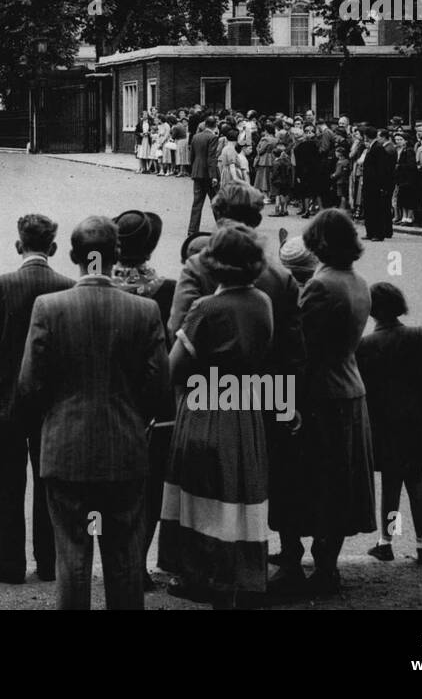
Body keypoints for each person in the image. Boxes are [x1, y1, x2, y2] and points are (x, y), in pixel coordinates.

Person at [18, 215, 168, 610]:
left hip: (67, 450)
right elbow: (159, 390)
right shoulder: (145, 311)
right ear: (115, 255)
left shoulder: (48, 308)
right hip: (124, 450)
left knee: (73, 558)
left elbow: (29, 385)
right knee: (123, 558)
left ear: (72, 256)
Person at [160, 224, 274, 608]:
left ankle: (210, 581)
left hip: (207, 409)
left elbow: (174, 369)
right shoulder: (263, 302)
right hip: (247, 412)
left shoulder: (205, 308)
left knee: (204, 503)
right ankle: (236, 581)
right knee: (239, 501)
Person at [0, 214, 72, 585]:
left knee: (7, 485)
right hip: (51, 402)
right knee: (49, 484)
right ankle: (49, 561)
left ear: (18, 245)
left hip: (4, 400)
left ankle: (8, 563)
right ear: (53, 248)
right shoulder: (67, 288)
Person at [272, 209, 374, 598]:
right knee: (338, 483)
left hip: (319, 394)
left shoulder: (320, 286)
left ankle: (295, 561)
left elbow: (300, 346)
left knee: (302, 479)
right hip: (350, 388)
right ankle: (327, 564)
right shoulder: (357, 281)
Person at [356, 282, 422, 566]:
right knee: (416, 482)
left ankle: (386, 541)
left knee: (391, 484)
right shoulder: (419, 336)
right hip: (415, 421)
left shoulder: (365, 345)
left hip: (383, 424)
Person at [109, 209, 176, 584]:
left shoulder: (98, 286)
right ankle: (136, 561)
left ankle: (117, 560)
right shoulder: (167, 289)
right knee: (149, 489)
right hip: (154, 403)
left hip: (111, 396)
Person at [361, 126, 396, 241]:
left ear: (366, 136)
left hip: (375, 184)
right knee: (369, 208)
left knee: (376, 209)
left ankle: (378, 233)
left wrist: (381, 185)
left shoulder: (378, 148)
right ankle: (370, 232)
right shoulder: (373, 147)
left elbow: (381, 168)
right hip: (369, 183)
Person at [188, 117, 221, 235]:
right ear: (215, 125)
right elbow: (211, 157)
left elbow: (192, 155)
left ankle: (192, 230)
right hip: (208, 174)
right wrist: (214, 176)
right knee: (216, 201)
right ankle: (222, 227)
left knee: (197, 203)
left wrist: (193, 169)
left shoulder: (195, 137)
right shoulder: (213, 137)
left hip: (197, 172)